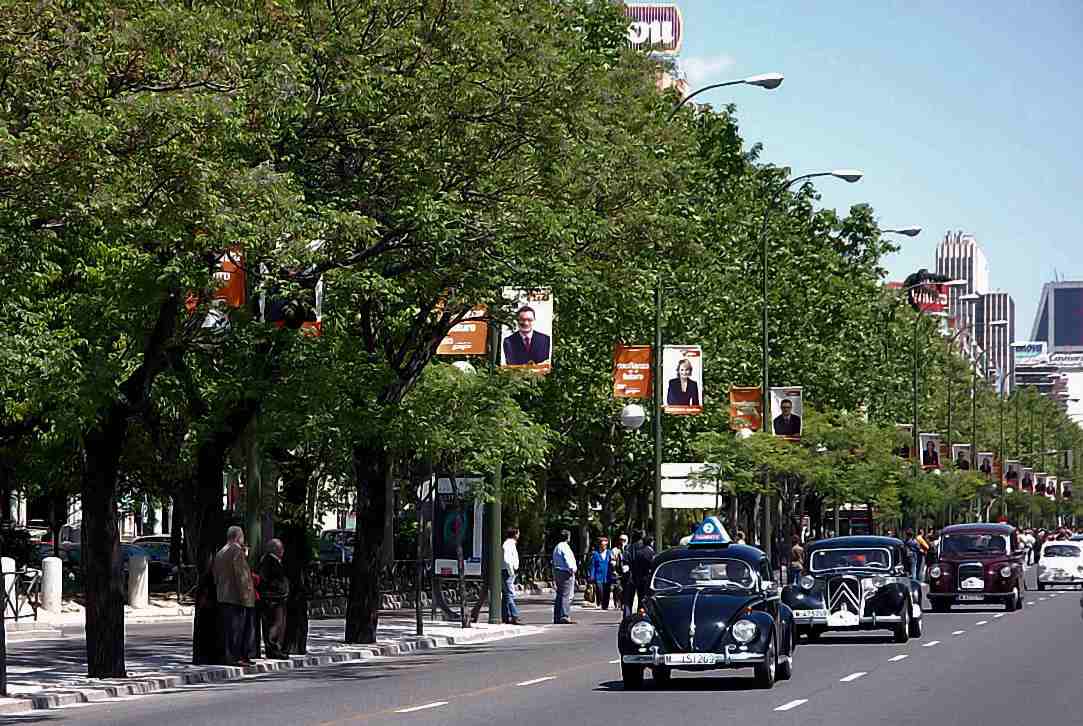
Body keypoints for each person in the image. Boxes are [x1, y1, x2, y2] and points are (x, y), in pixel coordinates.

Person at [214, 526, 256, 666]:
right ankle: (237, 657)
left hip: (223, 596)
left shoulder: (221, 552)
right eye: (242, 536)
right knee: (237, 630)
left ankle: (228, 656)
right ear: (238, 537)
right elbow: (241, 576)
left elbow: (216, 575)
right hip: (236, 597)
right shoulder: (237, 551)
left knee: (228, 630)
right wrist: (247, 598)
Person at [256, 538, 290, 659]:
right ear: (275, 549)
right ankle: (273, 649)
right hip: (272, 599)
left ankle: (277, 648)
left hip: (277, 599)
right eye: (281, 548)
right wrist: (277, 590)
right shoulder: (268, 561)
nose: (283, 551)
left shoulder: (275, 561)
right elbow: (265, 580)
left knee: (278, 624)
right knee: (273, 625)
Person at [552, 530, 577, 624]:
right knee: (565, 594)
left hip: (558, 571)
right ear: (568, 537)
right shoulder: (564, 547)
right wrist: (572, 569)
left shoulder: (557, 546)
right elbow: (568, 559)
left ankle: (557, 616)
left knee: (560, 594)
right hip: (565, 572)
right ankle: (564, 615)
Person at [629, 534, 656, 611]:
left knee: (640, 597)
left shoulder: (638, 553)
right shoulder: (651, 553)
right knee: (647, 598)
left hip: (639, 578)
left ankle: (640, 611)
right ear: (651, 542)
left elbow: (635, 566)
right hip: (648, 579)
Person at [501, 527, 522, 625]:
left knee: (506, 595)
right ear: (515, 534)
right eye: (518, 533)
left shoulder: (510, 544)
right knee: (509, 594)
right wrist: (511, 571)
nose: (519, 535)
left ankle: (506, 616)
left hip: (508, 571)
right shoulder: (508, 544)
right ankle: (514, 615)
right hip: (508, 571)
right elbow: (507, 559)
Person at [588, 537, 615, 611]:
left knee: (607, 591)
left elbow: (613, 562)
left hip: (607, 575)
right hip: (598, 575)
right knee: (600, 590)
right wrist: (591, 576)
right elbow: (593, 565)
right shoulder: (595, 554)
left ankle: (605, 605)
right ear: (600, 545)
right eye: (602, 545)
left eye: (605, 545)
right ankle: (599, 603)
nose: (604, 547)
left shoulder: (609, 552)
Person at [620, 531, 642, 617]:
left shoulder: (628, 549)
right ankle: (640, 616)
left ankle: (627, 617)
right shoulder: (645, 548)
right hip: (641, 577)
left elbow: (625, 564)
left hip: (630, 577)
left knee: (628, 600)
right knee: (641, 599)